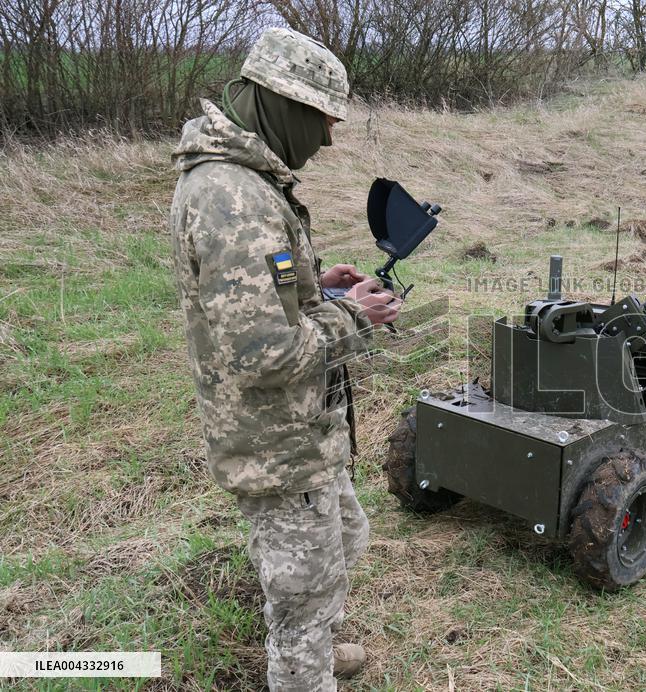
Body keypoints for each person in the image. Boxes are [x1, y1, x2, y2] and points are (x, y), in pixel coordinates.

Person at [168, 27, 398, 691]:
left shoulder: (249, 182)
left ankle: (320, 647)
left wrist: (316, 288)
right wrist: (356, 314)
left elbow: (260, 300)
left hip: (304, 429)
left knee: (343, 539)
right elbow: (265, 351)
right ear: (283, 105)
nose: (327, 140)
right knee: (302, 586)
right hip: (276, 440)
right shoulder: (231, 198)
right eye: (322, 121)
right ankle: (305, 669)